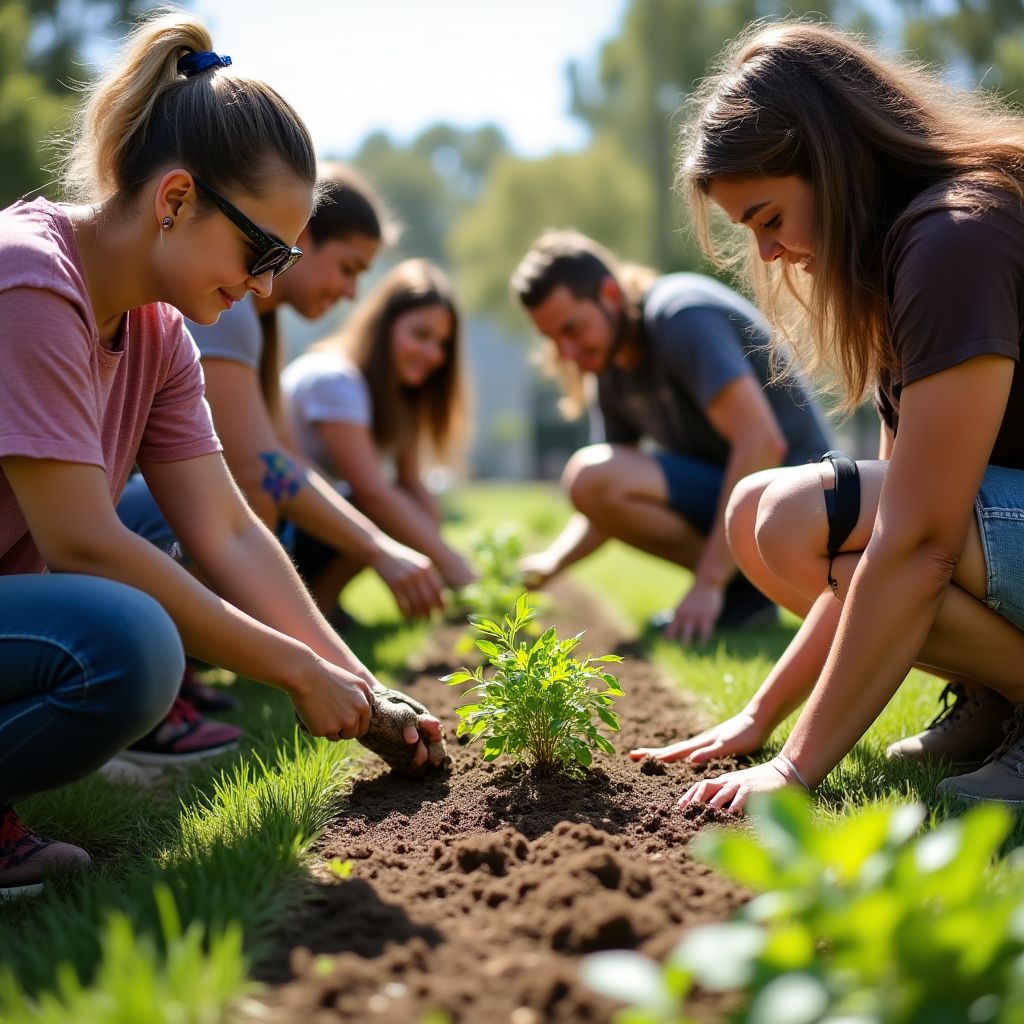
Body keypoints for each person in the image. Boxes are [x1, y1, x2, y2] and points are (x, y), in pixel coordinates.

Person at [0, 10, 444, 898]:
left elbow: (231, 531)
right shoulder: (29, 279)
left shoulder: (162, 334)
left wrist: (356, 691)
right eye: (263, 250)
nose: (268, 285)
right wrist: (292, 670)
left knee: (161, 550)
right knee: (129, 648)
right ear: (174, 200)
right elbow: (83, 540)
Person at [634, 22, 1024, 811]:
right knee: (761, 517)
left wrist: (794, 767)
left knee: (784, 517)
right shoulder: (900, 263)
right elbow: (889, 547)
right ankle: (1003, 697)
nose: (770, 254)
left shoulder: (955, 238)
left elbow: (918, 544)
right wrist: (761, 713)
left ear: (835, 161)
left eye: (771, 218)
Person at [111, 164, 448, 773]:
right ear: (303, 239)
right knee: (251, 497)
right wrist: (379, 548)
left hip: (123, 522)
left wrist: (357, 683)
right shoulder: (226, 310)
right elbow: (259, 467)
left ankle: (173, 676)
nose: (350, 293)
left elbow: (277, 456)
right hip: (111, 526)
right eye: (346, 267)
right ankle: (156, 694)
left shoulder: (254, 323)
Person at [511, 230, 831, 643]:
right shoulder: (609, 368)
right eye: (552, 339)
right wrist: (549, 565)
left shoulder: (682, 317)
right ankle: (746, 596)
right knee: (592, 481)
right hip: (741, 499)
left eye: (572, 329)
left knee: (589, 475)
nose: (567, 352)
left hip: (803, 501)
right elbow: (604, 496)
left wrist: (708, 583)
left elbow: (762, 443)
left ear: (609, 295)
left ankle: (736, 588)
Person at [281, 258, 474, 601]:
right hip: (277, 534)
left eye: (442, 343)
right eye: (420, 334)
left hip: (305, 532)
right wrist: (459, 571)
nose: (433, 353)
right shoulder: (335, 379)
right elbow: (373, 496)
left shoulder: (400, 396)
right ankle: (317, 609)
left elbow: (413, 487)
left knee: (398, 505)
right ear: (384, 326)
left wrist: (441, 561)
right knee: (373, 505)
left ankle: (325, 606)